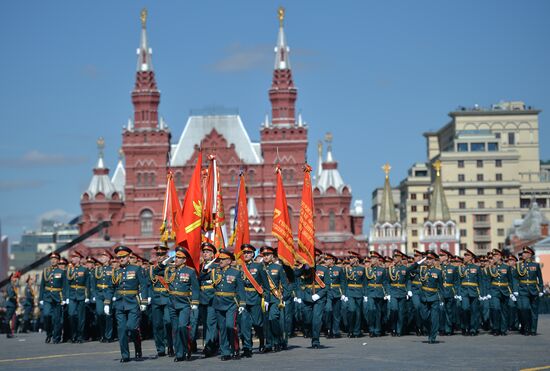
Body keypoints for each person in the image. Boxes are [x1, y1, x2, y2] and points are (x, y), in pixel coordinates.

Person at [108, 245, 149, 362]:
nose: (121, 259)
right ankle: (125, 355)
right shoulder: (115, 272)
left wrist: (144, 301)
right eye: (119, 257)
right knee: (121, 329)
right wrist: (107, 302)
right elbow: (110, 288)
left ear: (129, 256)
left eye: (123, 257)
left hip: (133, 302)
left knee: (132, 327)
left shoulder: (136, 269)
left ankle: (138, 347)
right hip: (120, 303)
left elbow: (144, 285)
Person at [157, 246, 199, 362]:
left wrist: (195, 302)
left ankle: (187, 349)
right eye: (176, 257)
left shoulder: (189, 271)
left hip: (184, 303)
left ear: (184, 260)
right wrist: (163, 263)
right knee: (175, 329)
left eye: (179, 258)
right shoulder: (169, 269)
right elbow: (155, 271)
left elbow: (195, 288)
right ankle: (179, 353)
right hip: (172, 303)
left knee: (182, 327)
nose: (176, 260)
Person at [212, 249, 246, 361]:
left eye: (223, 259)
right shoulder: (215, 271)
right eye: (220, 259)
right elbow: (202, 277)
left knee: (230, 326)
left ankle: (235, 348)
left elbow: (240, 289)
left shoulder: (235, 272)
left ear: (229, 261)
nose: (220, 261)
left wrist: (242, 304)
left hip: (231, 303)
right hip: (218, 303)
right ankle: (225, 351)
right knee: (222, 329)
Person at [238, 244, 269, 358]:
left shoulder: (259, 266)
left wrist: (267, 299)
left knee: (257, 323)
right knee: (244, 324)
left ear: (252, 254)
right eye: (244, 253)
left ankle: (261, 341)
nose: (246, 255)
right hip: (243, 298)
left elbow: (266, 284)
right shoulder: (239, 267)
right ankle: (247, 347)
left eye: (248, 253)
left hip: (255, 297)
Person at [261, 246, 290, 352]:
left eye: (267, 255)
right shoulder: (260, 267)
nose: (265, 257)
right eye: (264, 255)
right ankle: (268, 344)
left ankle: (278, 340)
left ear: (272, 256)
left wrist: (285, 297)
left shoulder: (278, 268)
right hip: (263, 298)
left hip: (275, 298)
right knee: (266, 322)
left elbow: (285, 284)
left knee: (273, 318)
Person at [149, 245, 174, 357]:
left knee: (168, 322)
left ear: (166, 255)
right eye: (158, 255)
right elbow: (148, 283)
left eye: (162, 255)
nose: (159, 257)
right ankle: (160, 348)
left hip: (168, 297)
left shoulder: (171, 267)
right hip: (156, 298)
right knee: (157, 324)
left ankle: (170, 345)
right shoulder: (152, 268)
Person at [39, 252, 68, 344]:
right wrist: (40, 298)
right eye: (51, 259)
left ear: (58, 260)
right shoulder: (45, 271)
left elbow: (65, 286)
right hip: (47, 297)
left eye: (55, 259)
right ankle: (49, 333)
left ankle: (56, 337)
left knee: (57, 318)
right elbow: (42, 285)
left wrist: (64, 298)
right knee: (46, 315)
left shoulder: (62, 272)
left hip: (57, 297)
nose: (53, 260)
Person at [515, 246, 544, 335]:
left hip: (534, 290)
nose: (523, 254)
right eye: (523, 253)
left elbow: (540, 278)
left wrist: (541, 290)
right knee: (524, 309)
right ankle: (526, 328)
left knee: (534, 311)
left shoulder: (535, 265)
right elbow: (515, 278)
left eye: (525, 253)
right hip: (523, 290)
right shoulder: (519, 265)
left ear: (530, 254)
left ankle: (533, 330)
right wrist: (516, 290)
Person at [416, 251, 442, 344]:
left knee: (434, 318)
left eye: (430, 259)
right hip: (423, 296)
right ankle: (430, 330)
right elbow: (411, 270)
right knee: (424, 317)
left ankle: (433, 336)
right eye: (427, 259)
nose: (428, 261)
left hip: (434, 296)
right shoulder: (421, 269)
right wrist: (419, 261)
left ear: (434, 260)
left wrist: (441, 299)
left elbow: (441, 286)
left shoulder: (438, 271)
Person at [487, 248, 514, 336]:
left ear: (499, 256)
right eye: (493, 256)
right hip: (495, 291)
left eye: (495, 256)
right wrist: (488, 292)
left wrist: (511, 292)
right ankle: (496, 328)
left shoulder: (506, 267)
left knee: (504, 311)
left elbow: (510, 280)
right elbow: (488, 280)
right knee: (496, 308)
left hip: (505, 291)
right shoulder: (491, 268)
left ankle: (503, 329)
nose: (493, 257)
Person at [90, 249, 115, 343]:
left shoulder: (112, 270)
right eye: (102, 256)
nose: (102, 258)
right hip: (99, 294)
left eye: (104, 256)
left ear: (109, 258)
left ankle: (108, 336)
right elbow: (93, 284)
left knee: (108, 315)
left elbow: (114, 284)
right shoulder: (97, 270)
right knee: (100, 314)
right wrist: (94, 295)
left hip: (109, 294)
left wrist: (114, 295)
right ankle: (102, 334)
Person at [458, 248, 484, 336]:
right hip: (464, 291)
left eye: (467, 255)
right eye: (464, 255)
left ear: (471, 257)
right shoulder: (461, 268)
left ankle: (473, 328)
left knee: (474, 311)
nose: (465, 257)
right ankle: (466, 326)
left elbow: (480, 281)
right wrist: (458, 293)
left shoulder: (476, 268)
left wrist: (481, 293)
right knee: (465, 309)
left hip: (474, 291)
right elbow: (458, 281)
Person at [66, 250, 90, 343]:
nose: (73, 259)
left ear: (79, 259)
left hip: (81, 294)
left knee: (81, 317)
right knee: (71, 314)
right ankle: (74, 334)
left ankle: (80, 335)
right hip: (72, 295)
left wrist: (87, 296)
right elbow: (67, 284)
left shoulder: (84, 269)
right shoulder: (69, 269)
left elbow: (87, 283)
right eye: (72, 257)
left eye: (75, 257)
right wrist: (67, 297)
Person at [324, 252, 347, 339]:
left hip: (337, 292)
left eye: (327, 259)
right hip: (327, 293)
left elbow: (343, 282)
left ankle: (335, 331)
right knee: (328, 310)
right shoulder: (323, 269)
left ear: (332, 260)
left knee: (336, 313)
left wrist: (343, 294)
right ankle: (328, 329)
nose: (325, 261)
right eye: (325, 259)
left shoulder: (339, 269)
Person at [345, 251, 366, 338]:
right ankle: (350, 329)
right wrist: (344, 293)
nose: (350, 260)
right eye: (349, 258)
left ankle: (357, 331)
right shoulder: (346, 269)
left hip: (359, 291)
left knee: (358, 313)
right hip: (350, 292)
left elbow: (365, 282)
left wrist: (365, 294)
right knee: (352, 310)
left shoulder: (362, 269)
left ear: (356, 259)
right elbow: (344, 282)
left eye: (351, 258)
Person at [3, 271, 20, 338]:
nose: (16, 279)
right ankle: (8, 333)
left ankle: (9, 333)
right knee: (8, 319)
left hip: (12, 305)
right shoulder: (10, 286)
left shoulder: (12, 286)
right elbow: (10, 295)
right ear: (11, 279)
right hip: (10, 305)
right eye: (14, 278)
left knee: (9, 319)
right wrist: (16, 297)